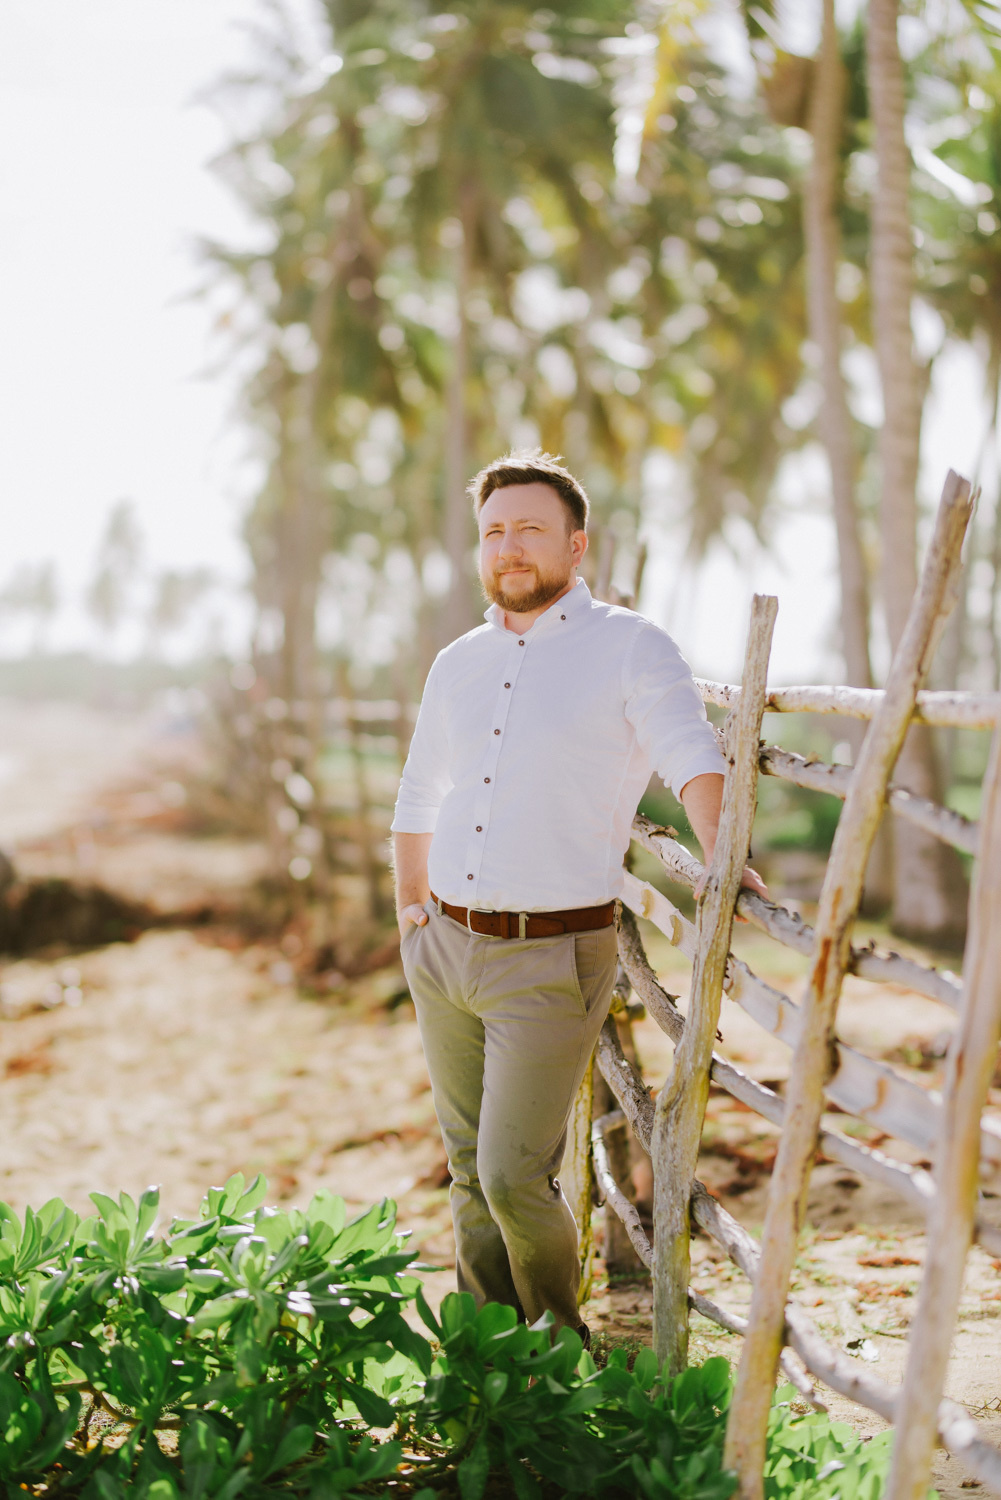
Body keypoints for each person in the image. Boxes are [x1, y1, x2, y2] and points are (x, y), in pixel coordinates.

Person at [391, 451, 765, 1342]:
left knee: (513, 1173)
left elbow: (688, 752)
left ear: (576, 543)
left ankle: (557, 1352)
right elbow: (419, 789)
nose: (508, 547)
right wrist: (412, 909)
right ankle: (489, 1351)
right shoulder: (459, 660)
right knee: (465, 1170)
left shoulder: (630, 645)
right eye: (493, 531)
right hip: (441, 947)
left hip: (548, 954)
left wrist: (720, 851)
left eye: (528, 528)